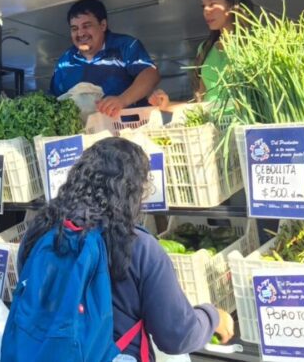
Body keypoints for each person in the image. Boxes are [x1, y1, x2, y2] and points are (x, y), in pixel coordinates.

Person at [18, 138, 234, 360]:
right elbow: (177, 335)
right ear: (133, 191)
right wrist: (213, 317)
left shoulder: (41, 231)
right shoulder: (138, 247)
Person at [149, 0, 256, 111]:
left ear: (232, 4)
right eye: (203, 6)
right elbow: (200, 103)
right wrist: (167, 104)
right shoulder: (205, 48)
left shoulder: (255, 45)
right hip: (212, 123)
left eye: (212, 4)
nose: (206, 11)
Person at [50, 0, 161, 117]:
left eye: (86, 26)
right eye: (74, 28)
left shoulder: (126, 46)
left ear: (103, 25)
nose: (80, 33)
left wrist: (122, 100)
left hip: (128, 126)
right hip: (84, 128)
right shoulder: (64, 62)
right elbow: (53, 100)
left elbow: (150, 73)